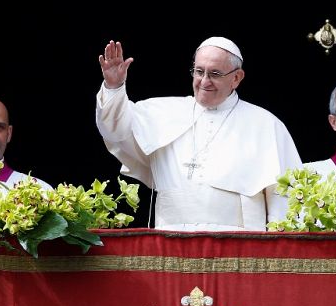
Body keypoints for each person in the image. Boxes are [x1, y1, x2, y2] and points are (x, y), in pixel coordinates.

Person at [95, 37, 302, 231]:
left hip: (238, 251)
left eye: (215, 74)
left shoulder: (266, 124)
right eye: (199, 71)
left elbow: (283, 199)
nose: (204, 81)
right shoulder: (163, 112)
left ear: (237, 78)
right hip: (170, 243)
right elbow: (115, 131)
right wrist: (114, 87)